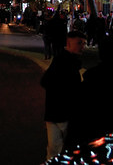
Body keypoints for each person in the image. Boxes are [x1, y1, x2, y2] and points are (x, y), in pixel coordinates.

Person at [40, 30, 87, 160]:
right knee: (67, 149)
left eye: (84, 43)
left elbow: (45, 81)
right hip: (65, 113)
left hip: (53, 112)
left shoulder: (61, 60)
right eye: (79, 43)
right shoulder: (67, 64)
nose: (82, 46)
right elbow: (73, 89)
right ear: (68, 43)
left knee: (54, 148)